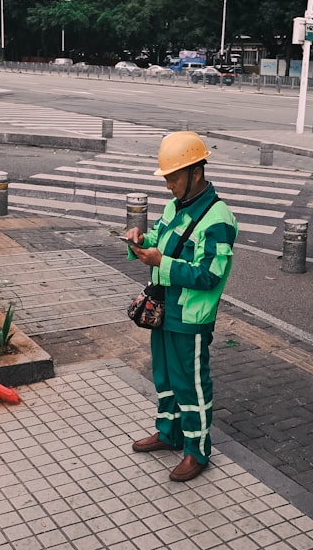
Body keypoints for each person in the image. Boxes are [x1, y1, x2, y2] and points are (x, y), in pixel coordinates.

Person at [124, 131, 238, 482]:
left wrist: (163, 262)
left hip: (191, 317)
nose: (168, 185)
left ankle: (197, 450)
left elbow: (209, 275)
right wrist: (139, 240)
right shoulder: (176, 206)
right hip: (164, 310)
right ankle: (169, 433)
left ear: (195, 173)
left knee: (192, 385)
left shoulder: (218, 218)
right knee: (166, 378)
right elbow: (159, 238)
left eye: (173, 177)